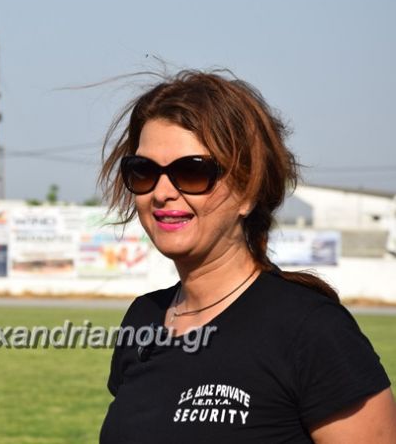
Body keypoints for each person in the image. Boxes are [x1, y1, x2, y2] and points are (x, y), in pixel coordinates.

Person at [96, 69, 396, 443]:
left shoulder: (312, 331)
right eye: (143, 171)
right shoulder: (144, 317)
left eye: (191, 171)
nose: (162, 192)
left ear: (248, 191)